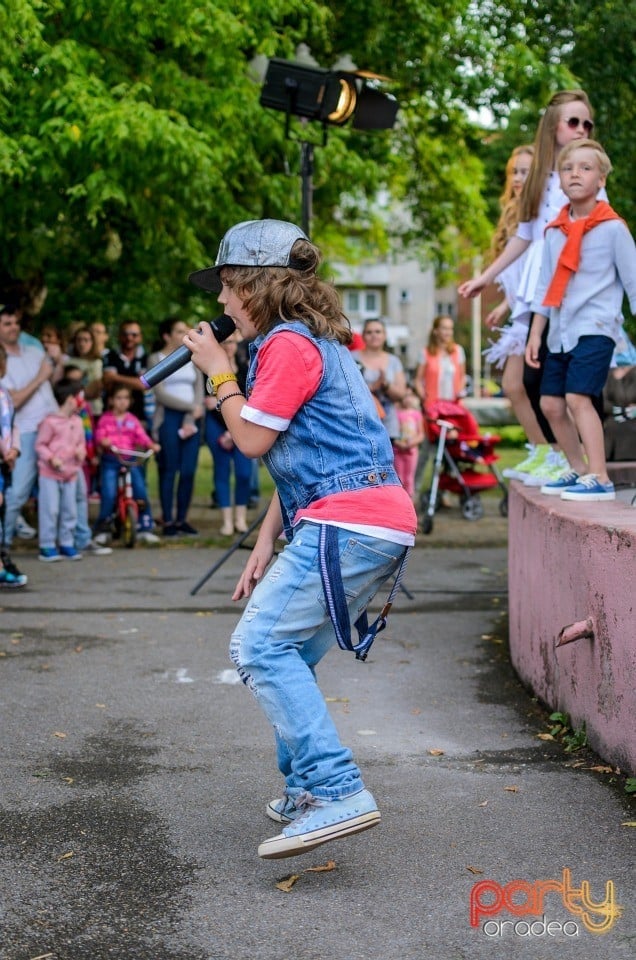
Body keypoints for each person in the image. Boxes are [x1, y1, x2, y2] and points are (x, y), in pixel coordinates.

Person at [186, 219, 416, 861]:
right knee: (291, 652)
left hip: (348, 521)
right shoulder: (320, 343)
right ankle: (303, 789)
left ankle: (336, 788)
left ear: (259, 286)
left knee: (258, 646)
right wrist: (268, 541)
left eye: (229, 288)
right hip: (367, 519)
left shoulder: (286, 345)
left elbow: (254, 440)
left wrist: (218, 373)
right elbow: (300, 454)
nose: (223, 304)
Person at [460, 90, 604, 487]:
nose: (581, 129)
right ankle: (564, 459)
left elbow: (597, 231)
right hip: (539, 296)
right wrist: (485, 278)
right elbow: (524, 239)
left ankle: (591, 467)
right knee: (542, 392)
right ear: (553, 127)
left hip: (571, 291)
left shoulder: (587, 175)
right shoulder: (542, 182)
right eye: (573, 122)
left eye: (587, 124)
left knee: (569, 392)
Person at [525, 139, 636, 501]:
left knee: (577, 396)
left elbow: (633, 283)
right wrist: (534, 334)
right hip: (559, 332)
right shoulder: (554, 232)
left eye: (586, 168)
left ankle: (600, 476)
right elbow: (544, 287)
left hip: (597, 327)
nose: (576, 174)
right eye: (569, 168)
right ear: (560, 180)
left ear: (601, 179)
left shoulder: (613, 229)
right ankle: (580, 468)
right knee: (551, 404)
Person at [0, 304, 60, 549]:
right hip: (25, 430)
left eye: (15, 322)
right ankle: (3, 544)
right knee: (17, 493)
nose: (14, 327)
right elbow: (11, 402)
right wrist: (41, 376)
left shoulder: (33, 351)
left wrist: (55, 362)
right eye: (7, 324)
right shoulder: (2, 362)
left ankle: (58, 541)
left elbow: (53, 381)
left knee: (56, 488)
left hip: (53, 425)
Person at [148, 318, 203, 537]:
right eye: (179, 331)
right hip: (168, 418)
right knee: (169, 469)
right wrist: (191, 406)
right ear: (166, 335)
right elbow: (160, 393)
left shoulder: (192, 356)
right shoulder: (157, 358)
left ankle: (182, 519)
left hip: (192, 420)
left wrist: (195, 410)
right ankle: (168, 520)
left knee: (188, 471)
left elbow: (199, 387)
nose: (185, 333)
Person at [93, 385, 160, 544]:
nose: (122, 402)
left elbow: (141, 437)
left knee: (140, 491)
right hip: (111, 460)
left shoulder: (132, 420)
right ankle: (103, 528)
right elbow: (99, 436)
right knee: (109, 493)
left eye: (125, 398)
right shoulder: (105, 419)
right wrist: (103, 441)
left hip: (130, 460)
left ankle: (145, 526)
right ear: (111, 400)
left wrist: (151, 445)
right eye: (118, 398)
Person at [203, 331, 253, 536]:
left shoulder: (245, 369)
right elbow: (207, 402)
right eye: (224, 341)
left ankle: (240, 519)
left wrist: (233, 431)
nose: (228, 345)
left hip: (241, 426)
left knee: (243, 473)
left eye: (231, 341)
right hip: (216, 425)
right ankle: (226, 521)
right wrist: (225, 430)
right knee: (221, 471)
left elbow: (250, 400)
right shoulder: (209, 372)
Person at [413, 314, 466, 498]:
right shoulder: (427, 352)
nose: (447, 332)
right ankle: (415, 491)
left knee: (450, 453)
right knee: (427, 451)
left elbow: (461, 377)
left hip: (451, 408)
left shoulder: (458, 351)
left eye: (450, 328)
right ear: (436, 331)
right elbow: (418, 380)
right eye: (444, 328)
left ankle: (443, 493)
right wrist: (423, 397)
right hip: (433, 409)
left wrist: (461, 394)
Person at [35, 377, 86, 561]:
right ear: (70, 398)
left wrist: (81, 451)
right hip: (50, 474)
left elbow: (81, 443)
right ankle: (47, 545)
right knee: (50, 509)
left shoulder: (77, 421)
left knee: (69, 509)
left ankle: (67, 542)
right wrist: (51, 458)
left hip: (71, 473)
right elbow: (40, 445)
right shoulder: (50, 422)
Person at [351, 317, 407, 440]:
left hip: (388, 424)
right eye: (369, 332)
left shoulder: (394, 361)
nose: (374, 336)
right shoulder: (351, 358)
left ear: (385, 335)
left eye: (378, 332)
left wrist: (386, 385)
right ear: (363, 336)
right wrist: (372, 387)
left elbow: (401, 395)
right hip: (359, 424)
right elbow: (345, 392)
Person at [0, 342, 27, 587]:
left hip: (4, 461)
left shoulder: (5, 393)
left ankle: (2, 558)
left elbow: (12, 425)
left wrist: (14, 448)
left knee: (3, 507)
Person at [102, 320, 148, 424]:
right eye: (125, 334)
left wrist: (116, 377)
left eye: (134, 335)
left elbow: (144, 384)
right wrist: (135, 381)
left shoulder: (146, 358)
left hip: (138, 415)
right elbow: (108, 383)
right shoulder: (110, 355)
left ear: (140, 337)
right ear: (119, 336)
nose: (129, 338)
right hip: (111, 416)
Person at [393, 385, 425, 499]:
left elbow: (421, 434)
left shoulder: (416, 414)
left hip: (411, 451)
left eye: (410, 396)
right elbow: (391, 432)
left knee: (409, 478)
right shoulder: (395, 413)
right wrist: (398, 443)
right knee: (399, 477)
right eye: (405, 396)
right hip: (398, 451)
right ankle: (399, 502)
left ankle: (410, 503)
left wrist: (412, 443)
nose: (408, 399)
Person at [68, 326, 104, 417]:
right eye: (79, 340)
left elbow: (96, 389)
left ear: (92, 342)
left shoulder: (97, 362)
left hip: (93, 410)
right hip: (72, 410)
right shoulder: (68, 362)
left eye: (86, 340)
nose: (82, 344)